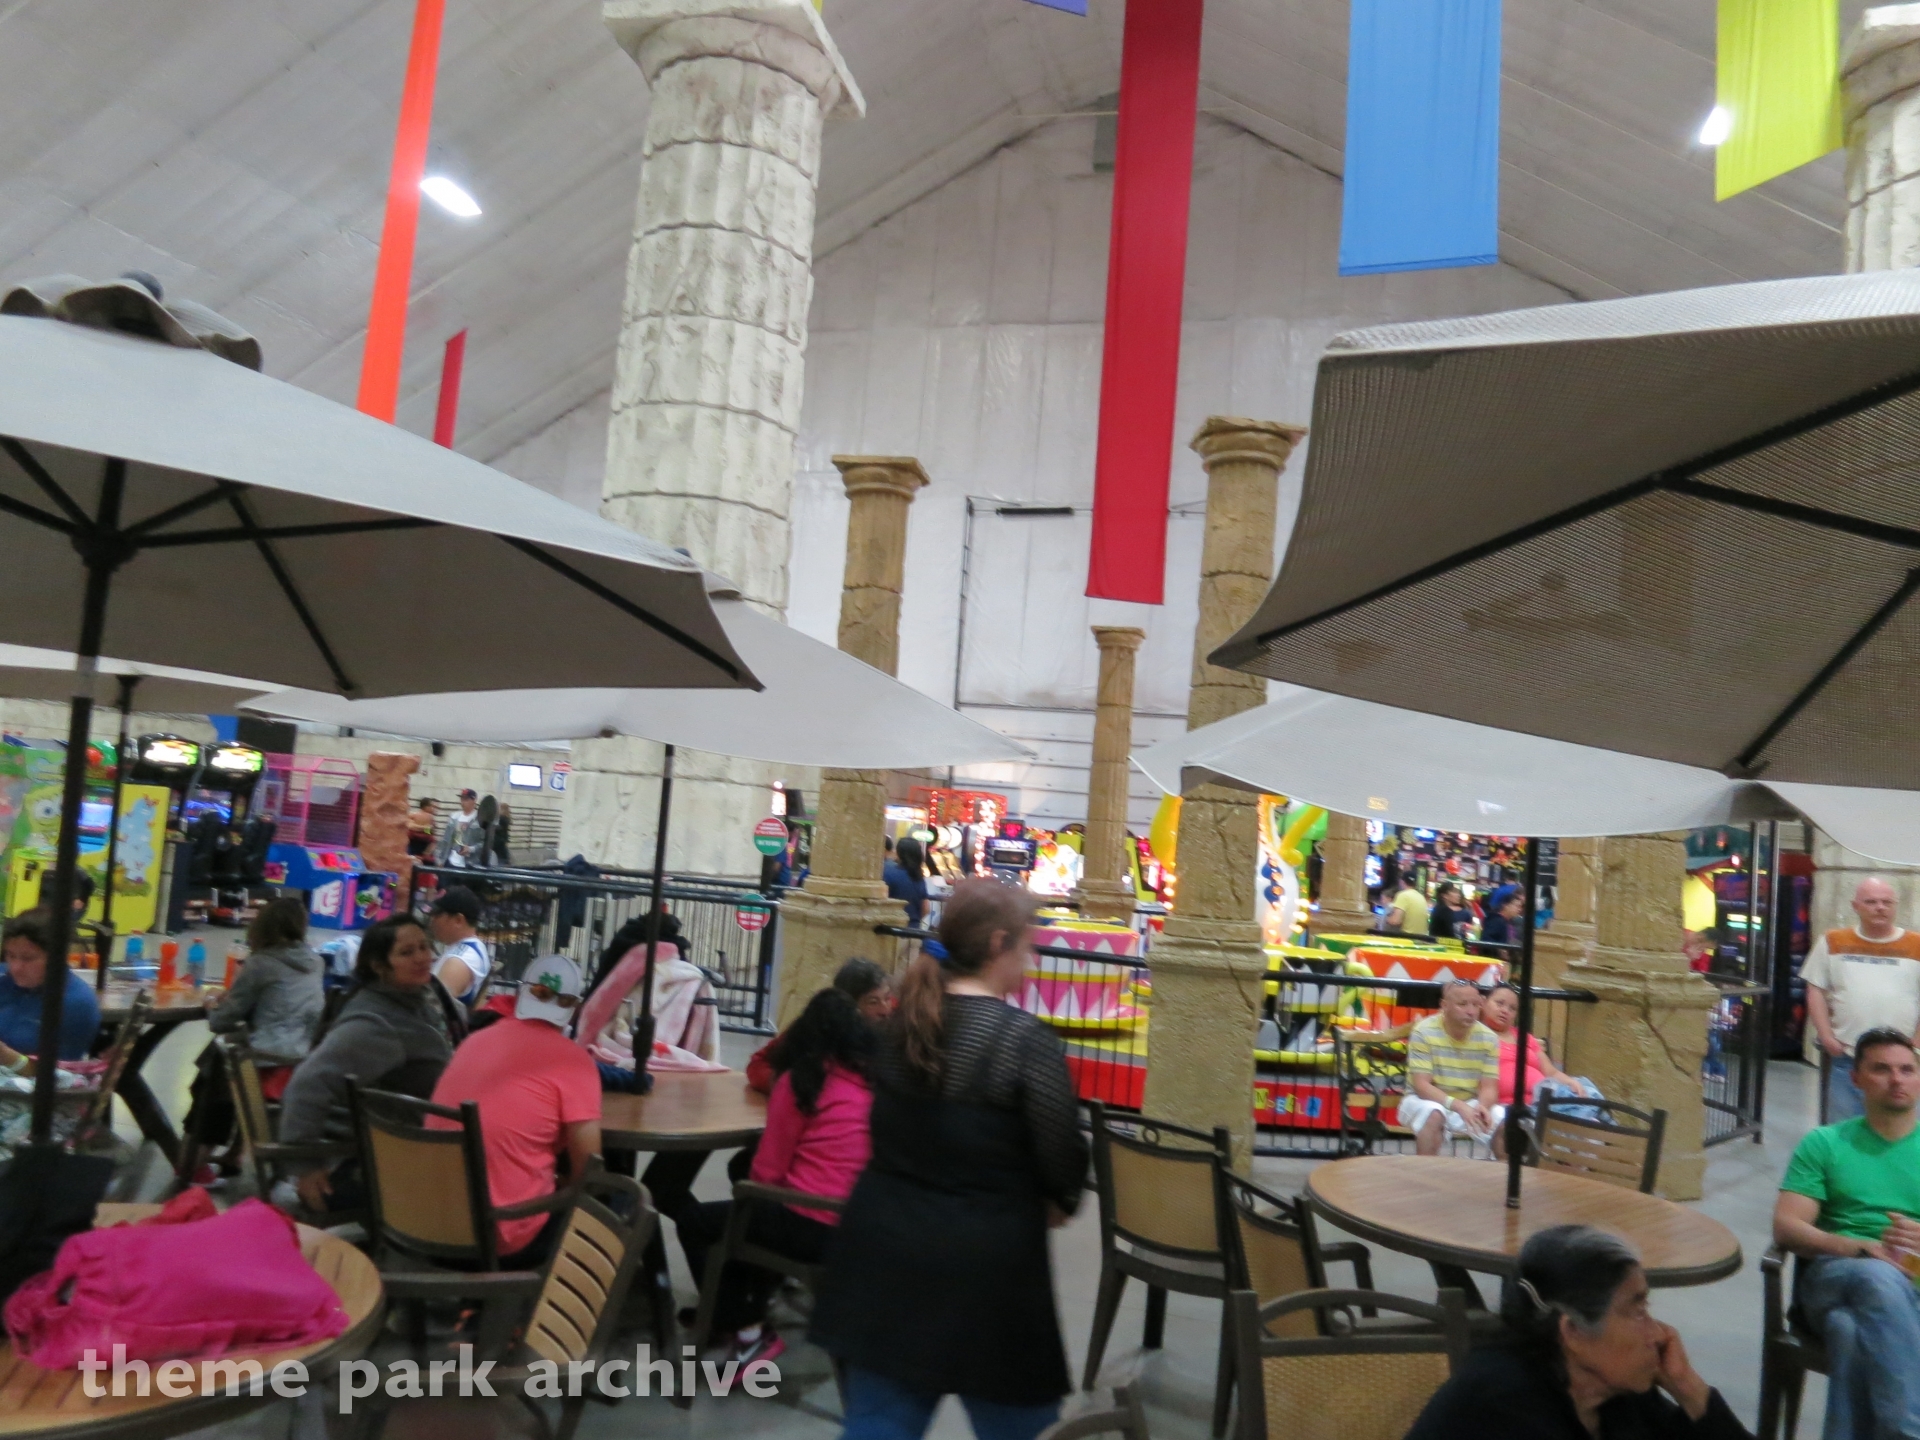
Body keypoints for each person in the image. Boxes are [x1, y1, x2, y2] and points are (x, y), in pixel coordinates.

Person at [812, 880, 1088, 1440]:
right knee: (1019, 1424)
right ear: (998, 944)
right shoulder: (1022, 1041)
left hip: (883, 1246)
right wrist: (1058, 1199)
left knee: (879, 1421)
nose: (1031, 960)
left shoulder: (900, 1026)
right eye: (1027, 946)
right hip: (986, 1266)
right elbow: (1061, 1154)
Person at [678, 986, 875, 1365]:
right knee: (745, 1216)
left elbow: (767, 1173)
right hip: (859, 1223)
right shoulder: (869, 1083)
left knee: (699, 1221)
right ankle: (731, 1309)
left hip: (811, 1223)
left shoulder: (802, 1082)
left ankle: (745, 1328)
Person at [1406, 1224, 1749, 1440]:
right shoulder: (1501, 1405)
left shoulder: (1615, 1393)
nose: (1659, 1334)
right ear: (1572, 1331)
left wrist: (1689, 1388)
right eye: (1637, 1311)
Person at [1773, 1026, 1920, 1440]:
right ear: (1856, 1078)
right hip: (1836, 1272)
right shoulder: (1825, 1143)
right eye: (1882, 1069)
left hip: (1912, 1280)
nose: (1897, 1079)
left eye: (1907, 1070)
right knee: (1877, 1276)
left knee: (1848, 1330)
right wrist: (1855, 1246)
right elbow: (1786, 1226)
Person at [279, 915, 464, 1214]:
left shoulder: (418, 999)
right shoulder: (376, 1022)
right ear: (379, 966)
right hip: (391, 1164)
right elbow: (307, 1084)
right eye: (406, 952)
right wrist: (305, 1167)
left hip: (414, 1149)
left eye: (423, 947)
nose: (421, 957)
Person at [429, 954, 600, 1263]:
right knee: (617, 1204)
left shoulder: (474, 1042)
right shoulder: (574, 1062)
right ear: (573, 1008)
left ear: (521, 993)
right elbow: (589, 1170)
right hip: (500, 1238)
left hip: (427, 1224)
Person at [1801, 877, 1920, 1123]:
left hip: (1901, 1060)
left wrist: (1917, 1041)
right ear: (1855, 906)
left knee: (1899, 1127)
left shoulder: (1916, 945)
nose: (1880, 907)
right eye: (1871, 902)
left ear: (1895, 906)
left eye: (1886, 902)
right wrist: (1826, 1036)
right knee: (1844, 1127)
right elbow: (1815, 989)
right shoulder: (1832, 941)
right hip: (1848, 1057)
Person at [204, 896, 325, 1065]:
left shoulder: (260, 964)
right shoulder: (317, 963)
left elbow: (221, 1021)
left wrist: (211, 1002)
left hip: (266, 1059)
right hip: (305, 1059)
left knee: (216, 1054)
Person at [746, 957, 891, 1093]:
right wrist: (791, 1087)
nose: (885, 1010)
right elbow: (758, 1064)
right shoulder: (818, 1028)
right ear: (848, 1006)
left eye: (887, 998)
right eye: (873, 1002)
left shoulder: (897, 1029)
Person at [1399, 979, 1504, 1156]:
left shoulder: (1489, 1038)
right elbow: (1422, 1086)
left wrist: (1483, 1106)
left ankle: (1505, 1172)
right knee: (1434, 1114)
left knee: (1503, 1119)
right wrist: (1458, 1106)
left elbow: (1489, 1087)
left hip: (1468, 1103)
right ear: (1444, 1005)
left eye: (1476, 1005)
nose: (1471, 1011)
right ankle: (1424, 1171)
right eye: (1463, 1004)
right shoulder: (1423, 1031)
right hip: (1422, 1100)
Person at [0, 909, 100, 1065]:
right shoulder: (6, 981)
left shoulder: (75, 1003)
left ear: (56, 957)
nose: (15, 967)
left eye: (28, 958)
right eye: (11, 956)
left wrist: (9, 1058)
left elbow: (62, 1073)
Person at [1481, 982, 1599, 1109]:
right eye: (1499, 1003)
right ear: (1484, 1003)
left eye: (1512, 1008)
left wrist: (1571, 1082)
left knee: (1586, 1089)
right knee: (1586, 1106)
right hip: (1514, 1108)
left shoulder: (1524, 1037)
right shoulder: (1478, 1036)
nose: (1505, 1011)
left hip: (1546, 1097)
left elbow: (1551, 1072)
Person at [427, 886, 491, 1008]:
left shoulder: (459, 961)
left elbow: (433, 1008)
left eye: (437, 915)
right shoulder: (468, 948)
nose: (432, 921)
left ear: (458, 920)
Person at [884, 837, 933, 928]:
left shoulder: (888, 873)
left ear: (899, 853)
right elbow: (926, 909)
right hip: (914, 929)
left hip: (892, 928)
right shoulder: (919, 877)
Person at [436, 790, 483, 867]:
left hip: (470, 863)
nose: (463, 802)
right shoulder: (454, 817)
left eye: (466, 799)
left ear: (474, 800)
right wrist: (441, 859)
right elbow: (446, 839)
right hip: (451, 860)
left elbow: (484, 842)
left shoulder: (479, 819)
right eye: (462, 799)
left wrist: (471, 849)